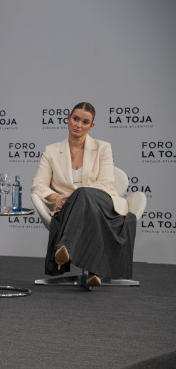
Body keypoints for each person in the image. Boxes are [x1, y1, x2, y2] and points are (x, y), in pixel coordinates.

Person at [31, 102, 137, 290]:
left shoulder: (103, 147)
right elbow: (38, 185)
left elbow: (105, 182)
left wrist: (74, 196)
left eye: (85, 121)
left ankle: (64, 248)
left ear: (91, 126)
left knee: (84, 194)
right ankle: (93, 271)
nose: (79, 124)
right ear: (68, 119)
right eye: (76, 118)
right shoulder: (52, 151)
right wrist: (55, 198)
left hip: (102, 202)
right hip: (67, 209)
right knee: (86, 209)